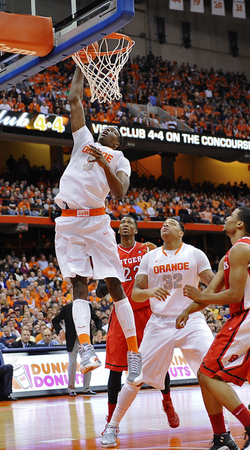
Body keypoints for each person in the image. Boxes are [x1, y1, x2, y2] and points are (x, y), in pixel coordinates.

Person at [54, 66, 142, 382]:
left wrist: (103, 161)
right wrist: (80, 64)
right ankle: (88, 349)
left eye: (113, 131)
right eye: (104, 128)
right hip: (68, 222)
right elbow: (74, 99)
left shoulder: (119, 160)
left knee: (115, 285)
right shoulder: (83, 139)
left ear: (118, 142)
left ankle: (134, 353)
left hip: (97, 220)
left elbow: (119, 192)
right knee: (78, 285)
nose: (107, 130)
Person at [101, 218, 215, 447]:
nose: (165, 225)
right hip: (145, 318)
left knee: (209, 371)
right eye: (163, 223)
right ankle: (111, 425)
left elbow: (212, 285)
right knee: (127, 374)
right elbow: (124, 292)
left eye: (171, 223)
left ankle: (220, 426)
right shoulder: (134, 255)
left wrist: (200, 300)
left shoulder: (178, 252)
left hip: (175, 316)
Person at [176, 207, 250, 450]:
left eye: (231, 216)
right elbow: (210, 293)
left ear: (240, 224)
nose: (226, 218)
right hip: (241, 318)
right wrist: (188, 310)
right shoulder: (228, 256)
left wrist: (201, 296)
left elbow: (231, 294)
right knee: (204, 375)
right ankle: (222, 438)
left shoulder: (242, 249)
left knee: (208, 374)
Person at [103, 215, 179, 429]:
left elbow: (167, 265)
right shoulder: (111, 253)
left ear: (136, 230)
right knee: (115, 370)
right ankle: (111, 421)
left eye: (129, 223)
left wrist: (158, 252)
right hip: (121, 314)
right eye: (122, 223)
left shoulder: (147, 251)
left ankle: (167, 403)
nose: (125, 225)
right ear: (118, 231)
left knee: (160, 365)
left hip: (147, 313)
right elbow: (102, 288)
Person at [52, 302, 102, 396]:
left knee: (88, 362)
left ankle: (86, 388)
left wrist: (99, 330)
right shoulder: (67, 308)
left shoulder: (87, 306)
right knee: (72, 363)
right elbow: (55, 320)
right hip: (72, 339)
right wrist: (60, 330)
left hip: (85, 339)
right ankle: (71, 388)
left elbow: (97, 319)